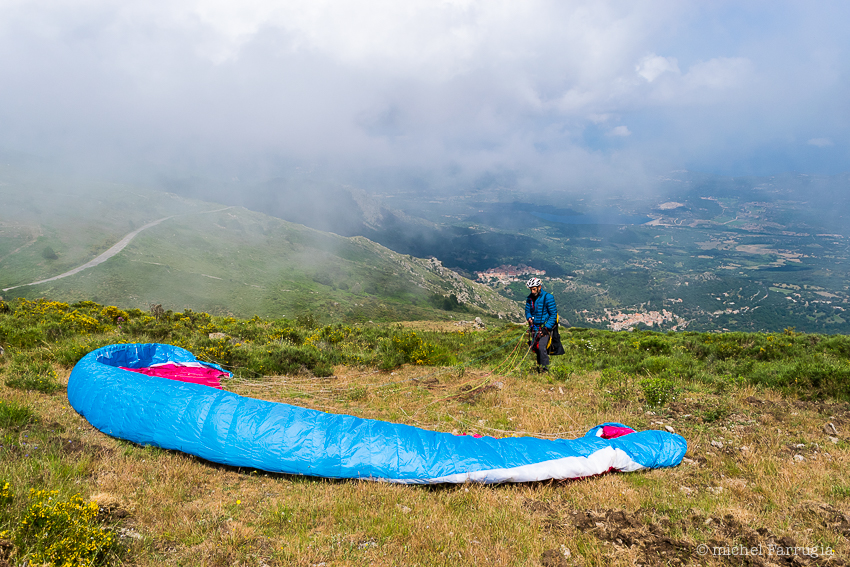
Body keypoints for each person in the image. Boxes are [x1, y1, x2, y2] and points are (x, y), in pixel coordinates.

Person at [524, 277, 558, 373]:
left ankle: (545, 369)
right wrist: (529, 317)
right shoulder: (530, 298)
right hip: (534, 327)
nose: (532, 291)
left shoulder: (548, 297)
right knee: (536, 347)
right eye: (531, 289)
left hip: (545, 327)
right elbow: (527, 310)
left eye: (534, 289)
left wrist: (547, 328)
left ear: (539, 287)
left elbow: (553, 314)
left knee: (542, 347)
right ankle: (539, 367)